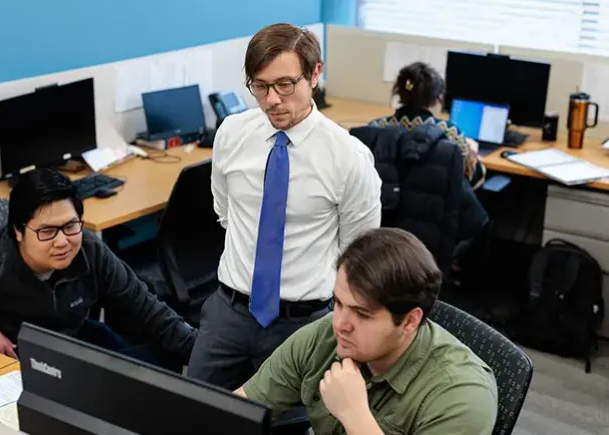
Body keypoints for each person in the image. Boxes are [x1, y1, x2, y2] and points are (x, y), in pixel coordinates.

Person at [187, 23, 382, 390]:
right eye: (259, 86)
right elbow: (226, 213)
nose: (272, 100)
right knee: (197, 414)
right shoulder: (231, 134)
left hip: (301, 324)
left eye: (285, 85)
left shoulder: (348, 158)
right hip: (229, 313)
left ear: (315, 74)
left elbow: (359, 253)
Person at [0, 168, 196, 369]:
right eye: (47, 231)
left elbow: (150, 313)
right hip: (18, 363)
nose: (63, 242)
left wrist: (214, 359)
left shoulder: (87, 247)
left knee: (160, 370)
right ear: (18, 231)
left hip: (73, 338)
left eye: (71, 225)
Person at [234, 228, 498, 435]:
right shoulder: (326, 335)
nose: (341, 323)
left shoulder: (462, 396)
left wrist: (354, 415)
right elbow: (239, 410)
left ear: (409, 322)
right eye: (337, 303)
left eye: (362, 314)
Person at [369, 62, 486, 190]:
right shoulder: (451, 133)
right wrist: (474, 158)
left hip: (385, 203)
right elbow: (467, 181)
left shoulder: (375, 128)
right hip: (433, 206)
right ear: (437, 99)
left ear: (399, 92)